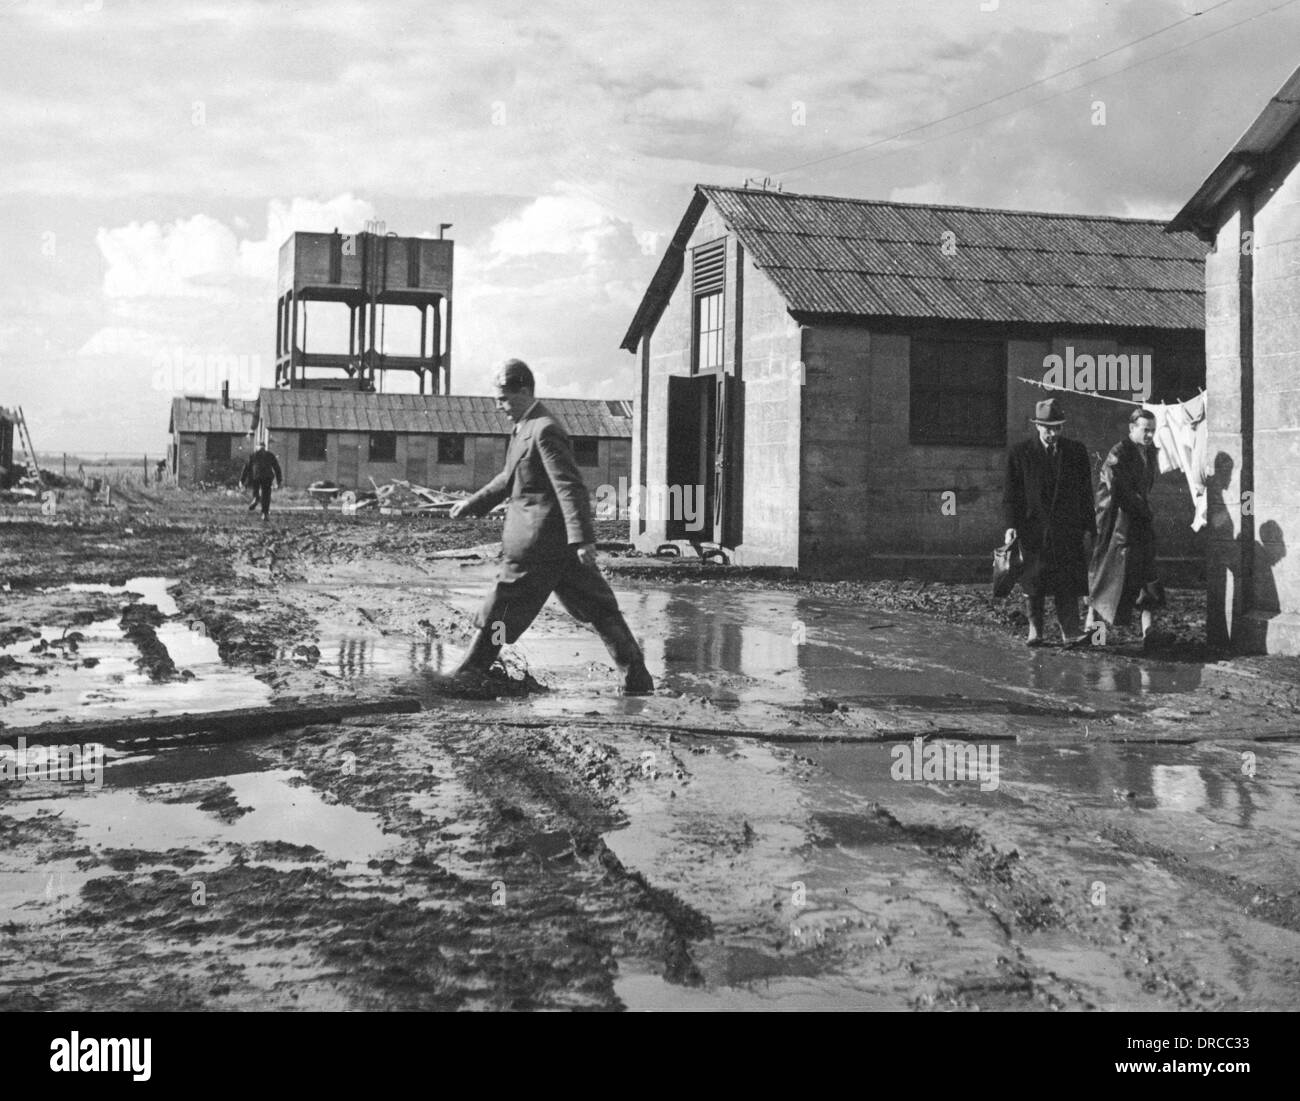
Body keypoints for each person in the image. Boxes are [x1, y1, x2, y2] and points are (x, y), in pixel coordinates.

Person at [448, 358, 655, 694]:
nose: (499, 406)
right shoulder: (523, 429)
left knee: (503, 609)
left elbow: (569, 485)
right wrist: (473, 504)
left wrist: (582, 539)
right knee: (599, 607)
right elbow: (507, 478)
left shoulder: (544, 428)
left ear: (525, 390)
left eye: (504, 398)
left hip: (540, 546)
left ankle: (472, 669)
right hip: (554, 548)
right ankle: (636, 678)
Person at [1003, 397, 1096, 646]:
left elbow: (1086, 494)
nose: (1053, 433)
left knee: (1067, 582)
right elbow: (1011, 496)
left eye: (1057, 427)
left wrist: (1089, 528)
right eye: (1048, 428)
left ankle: (1071, 632)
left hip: (1067, 530)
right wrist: (1011, 526)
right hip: (1032, 529)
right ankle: (1035, 631)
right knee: (1033, 582)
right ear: (1037, 426)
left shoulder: (1075, 452)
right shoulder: (1020, 453)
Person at [1084, 408, 1165, 647]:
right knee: (1109, 577)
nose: (1149, 435)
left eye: (1152, 430)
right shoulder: (1118, 454)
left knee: (1148, 574)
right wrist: (1141, 508)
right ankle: (1094, 631)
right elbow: (1118, 490)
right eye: (1145, 430)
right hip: (1117, 524)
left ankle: (1149, 632)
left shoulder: (1149, 453)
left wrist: (1143, 511)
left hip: (1138, 522)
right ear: (1132, 428)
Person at [240, 442, 283, 521]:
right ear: (264, 447)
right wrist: (279, 480)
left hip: (256, 476)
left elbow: (246, 468)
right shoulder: (270, 455)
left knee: (255, 489)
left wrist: (242, 480)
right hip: (267, 477)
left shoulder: (253, 455)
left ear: (257, 447)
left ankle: (256, 498)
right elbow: (277, 468)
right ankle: (265, 514)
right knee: (266, 495)